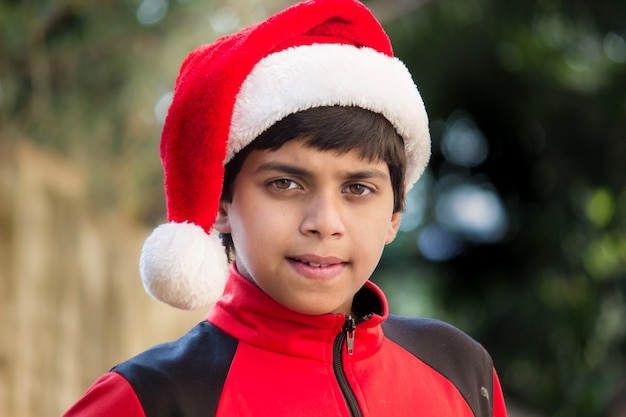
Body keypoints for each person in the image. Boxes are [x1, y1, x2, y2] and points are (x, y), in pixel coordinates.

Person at [64, 0, 508, 416]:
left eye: (357, 188)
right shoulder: (149, 399)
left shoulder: (461, 370)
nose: (324, 223)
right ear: (221, 204)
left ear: (395, 214)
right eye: (285, 183)